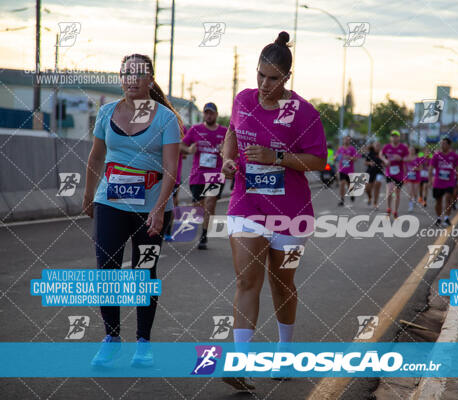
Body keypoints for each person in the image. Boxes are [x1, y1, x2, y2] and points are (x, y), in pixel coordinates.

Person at [220, 31, 327, 391]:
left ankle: (285, 352)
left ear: (286, 79)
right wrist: (228, 161)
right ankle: (240, 363)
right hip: (246, 203)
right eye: (260, 76)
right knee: (247, 281)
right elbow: (233, 133)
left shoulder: (304, 112)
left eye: (273, 78)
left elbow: (317, 162)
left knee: (283, 285)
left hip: (290, 213)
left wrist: (277, 157)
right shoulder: (243, 100)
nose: (265, 85)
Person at [82, 54, 182, 367]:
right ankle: (111, 338)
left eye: (139, 75)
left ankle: (143, 343)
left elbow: (171, 169)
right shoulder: (107, 112)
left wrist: (160, 208)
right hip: (110, 200)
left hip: (150, 207)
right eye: (126, 73)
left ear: (150, 80)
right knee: (106, 270)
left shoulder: (166, 119)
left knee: (144, 272)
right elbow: (96, 157)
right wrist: (88, 194)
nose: (131, 80)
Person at [182, 102, 227, 249]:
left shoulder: (224, 131)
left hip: (215, 174)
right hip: (198, 174)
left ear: (216, 115)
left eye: (211, 113)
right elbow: (181, 145)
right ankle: (202, 227)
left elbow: (233, 151)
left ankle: (204, 236)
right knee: (198, 207)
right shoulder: (196, 129)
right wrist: (189, 150)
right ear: (204, 114)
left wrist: (224, 150)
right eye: (206, 113)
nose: (209, 115)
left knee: (210, 202)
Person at [428, 137, 458, 227]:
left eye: (444, 144)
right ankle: (439, 218)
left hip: (449, 182)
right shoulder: (436, 156)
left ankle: (446, 218)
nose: (442, 145)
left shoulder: (454, 156)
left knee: (448, 199)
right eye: (441, 144)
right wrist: (429, 180)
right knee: (438, 201)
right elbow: (431, 168)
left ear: (449, 145)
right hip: (438, 182)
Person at [379, 130, 408, 218]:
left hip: (399, 174)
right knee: (389, 191)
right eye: (392, 136)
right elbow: (381, 154)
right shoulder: (387, 147)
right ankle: (388, 208)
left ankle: (395, 211)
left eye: (396, 136)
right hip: (389, 173)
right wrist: (385, 160)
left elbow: (409, 158)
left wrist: (401, 158)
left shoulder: (403, 147)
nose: (394, 138)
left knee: (397, 194)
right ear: (390, 138)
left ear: (399, 137)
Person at [335, 136, 359, 206]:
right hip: (342, 170)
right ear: (343, 140)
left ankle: (352, 195)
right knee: (342, 184)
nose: (346, 141)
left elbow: (356, 159)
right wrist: (335, 157)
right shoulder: (340, 149)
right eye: (345, 139)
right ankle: (342, 199)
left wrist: (350, 157)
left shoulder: (352, 149)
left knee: (349, 185)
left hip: (350, 171)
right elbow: (336, 157)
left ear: (350, 141)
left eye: (348, 140)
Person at [364, 141, 384, 209]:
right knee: (367, 189)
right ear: (373, 146)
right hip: (370, 172)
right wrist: (369, 163)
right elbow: (365, 162)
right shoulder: (370, 153)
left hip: (379, 172)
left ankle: (375, 203)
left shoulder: (382, 154)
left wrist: (383, 163)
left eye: (378, 145)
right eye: (376, 145)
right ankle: (370, 197)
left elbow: (385, 161)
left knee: (377, 186)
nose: (377, 147)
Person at [403, 145, 422, 212]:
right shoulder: (406, 158)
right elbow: (404, 168)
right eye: (410, 150)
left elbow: (421, 168)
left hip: (416, 177)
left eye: (412, 150)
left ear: (414, 151)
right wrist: (404, 177)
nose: (411, 151)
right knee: (410, 191)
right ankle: (410, 205)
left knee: (415, 192)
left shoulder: (418, 158)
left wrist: (416, 168)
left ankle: (415, 199)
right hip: (409, 177)